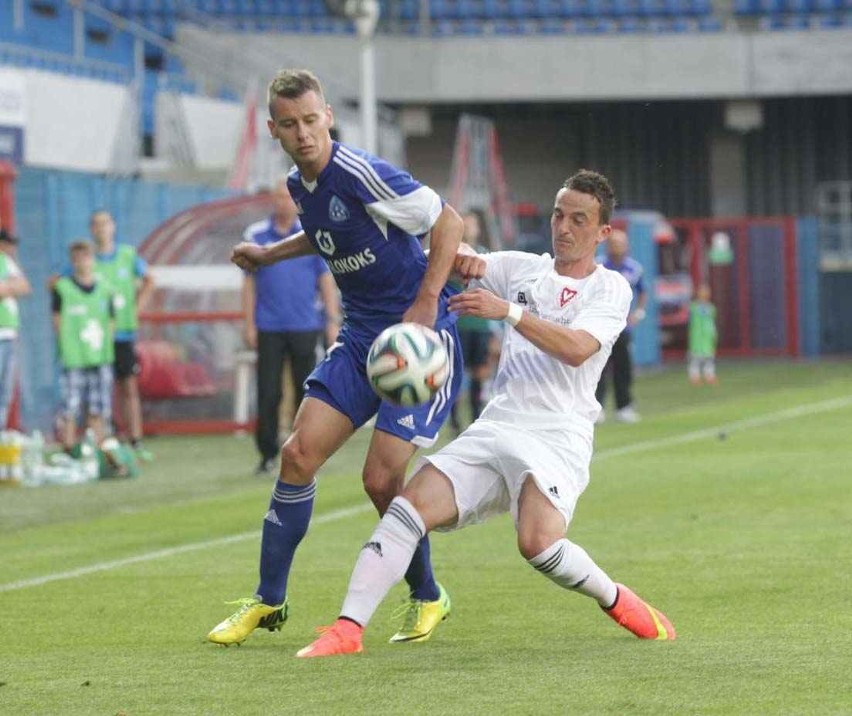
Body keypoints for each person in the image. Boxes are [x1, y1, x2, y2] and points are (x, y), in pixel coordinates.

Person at [295, 169, 676, 659]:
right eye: (559, 215)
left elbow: (578, 348)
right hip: (497, 425)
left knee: (537, 545)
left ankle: (614, 597)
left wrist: (509, 313)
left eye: (579, 220)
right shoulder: (521, 268)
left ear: (602, 232)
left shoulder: (610, 290)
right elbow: (453, 259)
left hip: (558, 436)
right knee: (406, 509)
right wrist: (383, 230)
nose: (564, 227)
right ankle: (347, 630)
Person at [208, 69, 465, 647]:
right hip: (360, 341)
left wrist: (425, 304)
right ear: (273, 128)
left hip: (417, 344)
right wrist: (270, 255)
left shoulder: (359, 171)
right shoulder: (301, 185)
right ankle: (269, 601)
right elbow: (325, 231)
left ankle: (428, 594)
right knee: (297, 454)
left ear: (328, 116)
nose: (303, 134)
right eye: (290, 124)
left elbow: (449, 219)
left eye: (311, 120)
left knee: (380, 481)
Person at [242, 179, 343, 476]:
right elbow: (248, 283)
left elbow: (325, 280)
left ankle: (306, 451)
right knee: (268, 392)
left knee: (308, 392)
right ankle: (267, 454)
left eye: (288, 197)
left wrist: (332, 320)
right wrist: (248, 323)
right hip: (269, 325)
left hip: (305, 324)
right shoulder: (256, 235)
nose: (283, 202)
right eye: (278, 197)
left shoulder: (309, 235)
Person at [87, 210, 155, 460]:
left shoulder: (127, 256)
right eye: (96, 224)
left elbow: (149, 279)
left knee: (128, 386)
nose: (101, 228)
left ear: (113, 227)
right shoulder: (88, 259)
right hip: (95, 337)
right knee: (98, 390)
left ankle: (135, 440)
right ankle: (102, 442)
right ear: (91, 229)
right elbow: (60, 281)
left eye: (105, 223)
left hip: (123, 334)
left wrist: (136, 309)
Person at [52, 241, 115, 451]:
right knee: (70, 405)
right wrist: (66, 346)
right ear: (72, 261)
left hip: (100, 356)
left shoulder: (105, 288)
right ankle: (69, 449)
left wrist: (106, 346)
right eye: (78, 258)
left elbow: (112, 320)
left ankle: (101, 450)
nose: (83, 262)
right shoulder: (62, 288)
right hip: (74, 357)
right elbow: (57, 321)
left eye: (87, 257)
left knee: (100, 406)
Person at [449, 210, 496, 434]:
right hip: (458, 323)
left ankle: (477, 418)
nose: (469, 228)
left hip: (481, 325)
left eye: (473, 224)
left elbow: (496, 292)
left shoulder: (487, 256)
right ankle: (455, 421)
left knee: (480, 371)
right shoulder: (449, 253)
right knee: (456, 374)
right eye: (465, 223)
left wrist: (496, 328)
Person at [595, 228, 646, 423]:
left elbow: (642, 291)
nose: (617, 247)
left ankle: (624, 406)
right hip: (599, 327)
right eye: (613, 243)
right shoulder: (598, 266)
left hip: (623, 328)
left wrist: (639, 313)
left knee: (623, 367)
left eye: (620, 243)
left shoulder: (634, 269)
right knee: (597, 368)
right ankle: (596, 407)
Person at [0, 227, 31, 429]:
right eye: (8, 243)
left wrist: (7, 287)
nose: (11, 248)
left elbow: (24, 286)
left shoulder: (5, 262)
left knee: (4, 392)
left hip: (9, 333)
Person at [688, 282, 717, 385]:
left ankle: (709, 375)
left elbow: (712, 322)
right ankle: (694, 377)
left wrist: (713, 333)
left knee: (709, 358)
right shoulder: (694, 307)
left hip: (707, 337)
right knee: (696, 358)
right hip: (697, 337)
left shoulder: (711, 308)